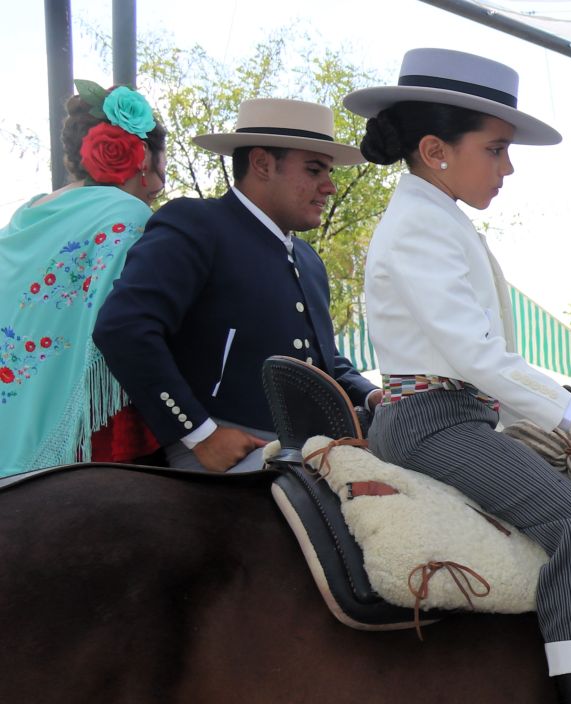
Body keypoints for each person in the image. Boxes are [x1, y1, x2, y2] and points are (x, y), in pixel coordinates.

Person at [347, 48, 571, 704]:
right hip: (434, 419)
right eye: (495, 149)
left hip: (454, 410)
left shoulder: (434, 217)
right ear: (433, 150)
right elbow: (475, 354)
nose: (507, 168)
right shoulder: (419, 228)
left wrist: (569, 401)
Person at [95, 98, 378, 473]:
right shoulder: (196, 224)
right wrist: (200, 433)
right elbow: (123, 327)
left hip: (313, 448)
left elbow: (325, 359)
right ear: (262, 163)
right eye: (314, 170)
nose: (329, 187)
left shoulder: (308, 260)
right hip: (222, 450)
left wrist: (373, 395)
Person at [1, 82, 167, 476]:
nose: (162, 183)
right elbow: (130, 330)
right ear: (142, 158)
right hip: (88, 440)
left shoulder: (23, 217)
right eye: (164, 164)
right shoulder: (127, 216)